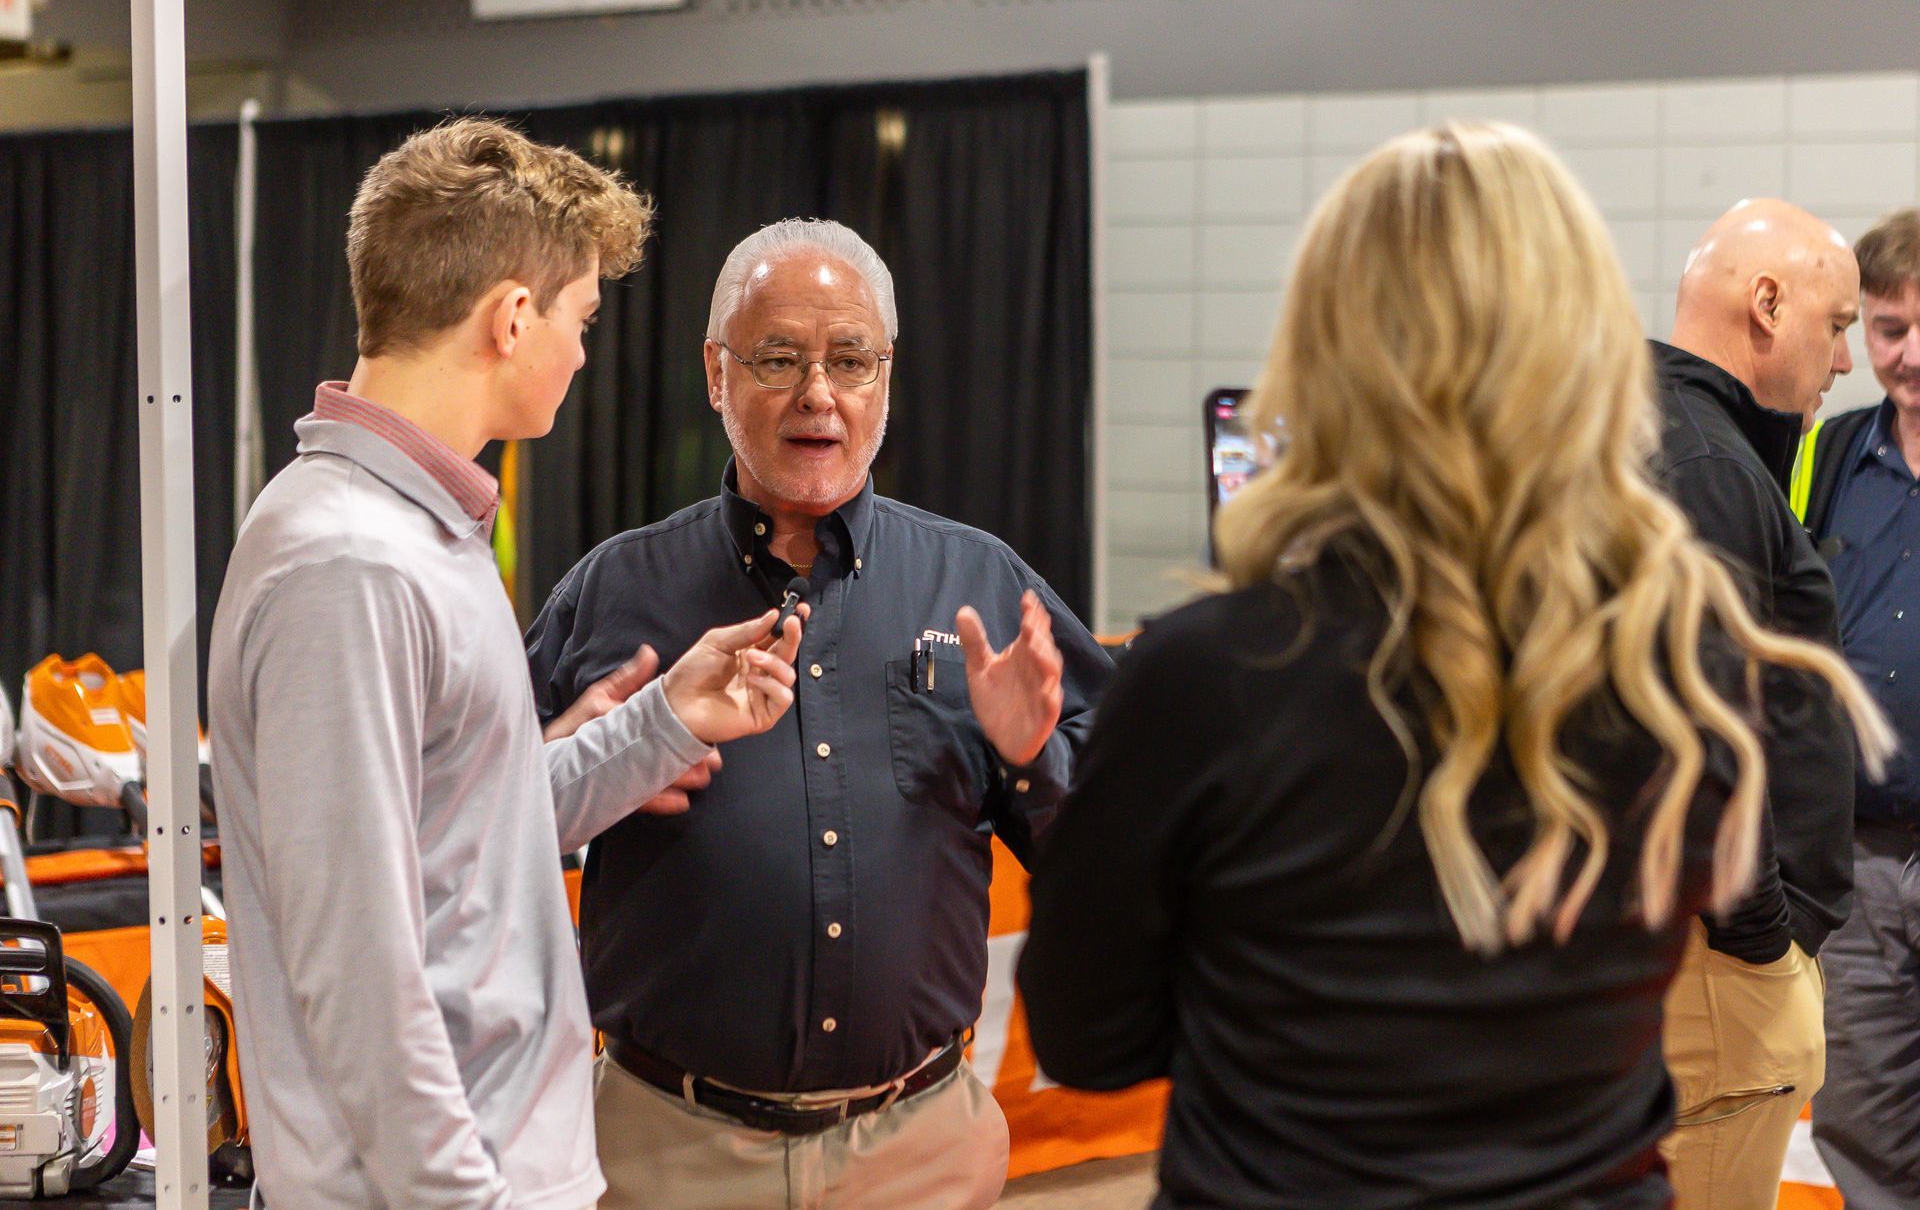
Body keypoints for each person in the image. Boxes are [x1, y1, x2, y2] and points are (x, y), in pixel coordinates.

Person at [1015, 122, 1890, 1210]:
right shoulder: (1659, 655)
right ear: (1577, 340)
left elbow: (1089, 1037)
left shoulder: (1205, 671)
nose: (1847, 357)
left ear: (1326, 340)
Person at [207, 119, 804, 1210]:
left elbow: (463, 839)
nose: (580, 352)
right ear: (513, 317)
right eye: (580, 318)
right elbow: (357, 967)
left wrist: (662, 722)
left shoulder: (412, 530)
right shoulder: (351, 562)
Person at [523, 217, 1114, 1210]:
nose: (818, 393)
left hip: (921, 1150)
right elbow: (477, 831)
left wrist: (1032, 755)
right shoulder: (613, 592)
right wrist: (579, 753)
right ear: (716, 373)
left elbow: (1111, 866)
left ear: (886, 376)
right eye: (778, 358)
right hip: (664, 1152)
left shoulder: (979, 583)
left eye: (850, 359)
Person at [1649, 199, 1864, 1210]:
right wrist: (1763, 942)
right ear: (1768, 305)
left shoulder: (1675, 433)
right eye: (1840, 326)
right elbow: (1696, 734)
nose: (1846, 362)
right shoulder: (1703, 464)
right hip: (1716, 967)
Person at [1791, 207, 1920, 1210]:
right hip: (1857, 860)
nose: (1910, 354)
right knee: (1861, 1115)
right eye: (1889, 328)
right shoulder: (1823, 456)